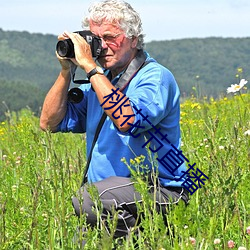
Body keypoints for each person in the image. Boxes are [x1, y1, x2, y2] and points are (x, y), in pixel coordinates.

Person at [40, 0, 189, 244]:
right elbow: (49, 123)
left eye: (110, 37)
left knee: (88, 199)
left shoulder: (154, 77)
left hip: (160, 190)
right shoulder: (101, 82)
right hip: (112, 199)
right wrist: (66, 71)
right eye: (95, 39)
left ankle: (146, 240)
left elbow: (128, 120)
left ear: (133, 39)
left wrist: (89, 67)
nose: (102, 47)